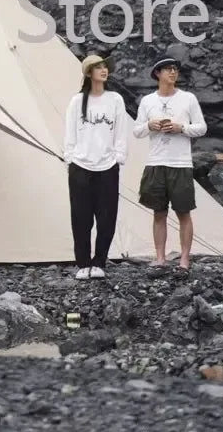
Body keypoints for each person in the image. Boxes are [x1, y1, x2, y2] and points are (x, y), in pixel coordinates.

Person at [133, 56, 207, 271]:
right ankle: (160, 257)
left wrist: (181, 128)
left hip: (181, 164)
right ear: (158, 74)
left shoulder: (188, 98)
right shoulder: (148, 101)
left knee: (184, 212)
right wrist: (150, 124)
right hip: (155, 162)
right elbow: (137, 131)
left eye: (175, 69)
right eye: (168, 69)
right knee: (158, 212)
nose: (173, 73)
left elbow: (202, 128)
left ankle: (184, 259)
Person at [64, 54, 128, 280]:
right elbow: (70, 134)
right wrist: (70, 158)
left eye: (105, 67)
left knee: (107, 216)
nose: (104, 70)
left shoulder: (115, 100)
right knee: (80, 217)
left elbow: (121, 131)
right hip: (81, 166)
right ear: (89, 73)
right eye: (98, 67)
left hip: (107, 166)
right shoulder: (76, 101)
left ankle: (99, 261)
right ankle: (82, 263)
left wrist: (119, 157)